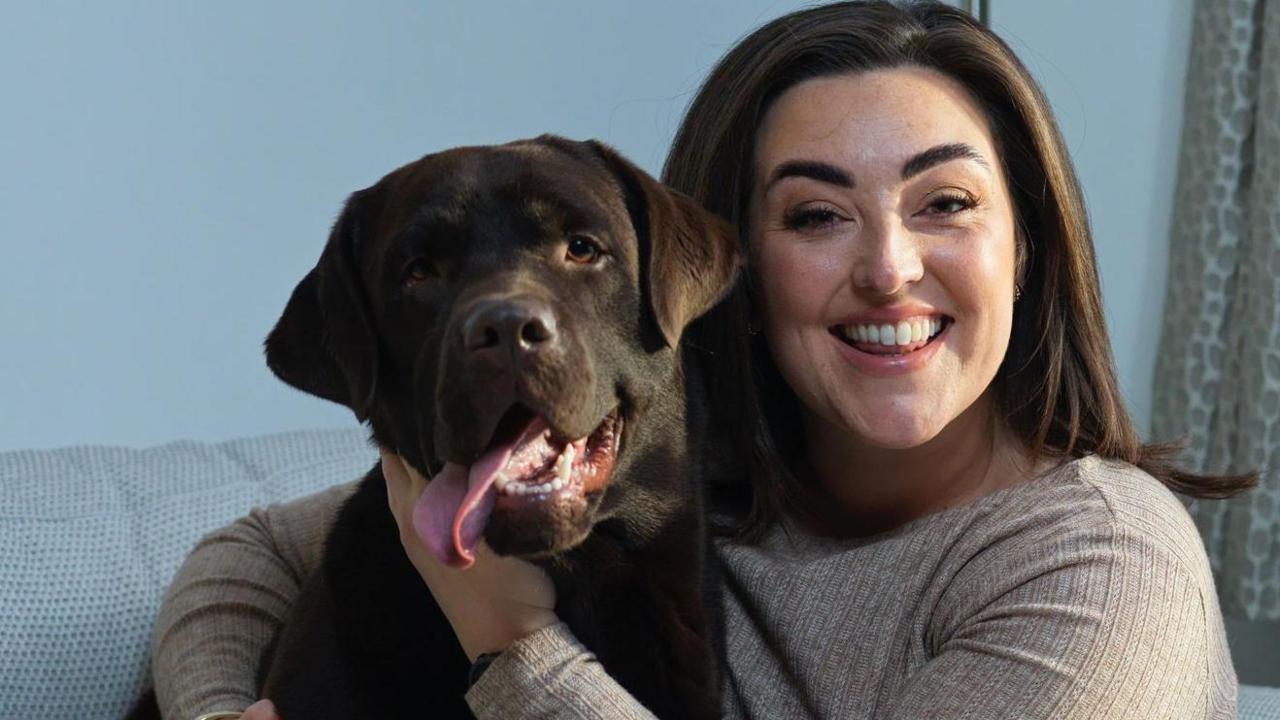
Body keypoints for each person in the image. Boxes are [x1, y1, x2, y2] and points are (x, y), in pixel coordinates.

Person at [149, 2, 1253, 718]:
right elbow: (253, 553)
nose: (885, 266)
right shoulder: (677, 464)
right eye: (815, 215)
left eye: (945, 203)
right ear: (723, 267)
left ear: (1027, 252)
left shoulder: (1098, 570)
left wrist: (512, 646)